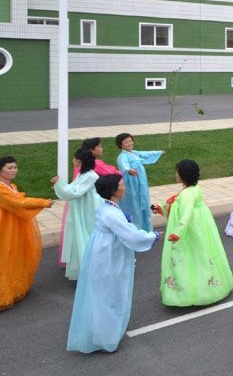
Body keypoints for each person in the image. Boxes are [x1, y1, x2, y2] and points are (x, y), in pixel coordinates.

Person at [67, 174, 160, 353]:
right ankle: (106, 338)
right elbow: (131, 235)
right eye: (122, 185)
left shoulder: (106, 207)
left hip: (103, 253)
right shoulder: (112, 213)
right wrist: (152, 236)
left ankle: (102, 333)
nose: (124, 187)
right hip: (108, 257)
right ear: (114, 191)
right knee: (111, 294)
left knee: (104, 293)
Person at [152, 159, 233, 307]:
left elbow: (186, 213)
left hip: (189, 229)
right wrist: (161, 208)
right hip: (197, 226)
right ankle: (209, 285)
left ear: (183, 175)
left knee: (189, 256)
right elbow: (177, 207)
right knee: (201, 253)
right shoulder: (193, 189)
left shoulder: (187, 194)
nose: (175, 174)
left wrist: (178, 231)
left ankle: (192, 293)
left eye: (177, 171)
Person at [0, 156, 53, 311]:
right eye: (9, 168)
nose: (13, 170)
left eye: (15, 167)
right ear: (1, 169)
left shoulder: (11, 186)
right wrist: (43, 202)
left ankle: (13, 288)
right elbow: (18, 203)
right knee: (4, 258)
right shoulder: (2, 189)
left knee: (14, 256)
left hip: (13, 227)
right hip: (5, 228)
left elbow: (18, 202)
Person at [52, 150, 102, 281]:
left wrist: (60, 185)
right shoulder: (82, 174)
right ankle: (84, 269)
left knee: (86, 235)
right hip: (81, 209)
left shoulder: (91, 176)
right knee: (80, 235)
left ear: (79, 161)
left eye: (74, 159)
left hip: (88, 210)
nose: (73, 161)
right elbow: (71, 189)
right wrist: (60, 185)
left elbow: (75, 192)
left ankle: (93, 270)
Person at [115, 133, 164, 232]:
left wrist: (158, 152)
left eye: (130, 141)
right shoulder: (122, 156)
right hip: (131, 186)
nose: (129, 143)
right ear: (121, 145)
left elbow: (145, 154)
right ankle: (134, 230)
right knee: (134, 205)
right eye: (126, 142)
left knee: (143, 204)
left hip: (141, 184)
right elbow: (124, 166)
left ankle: (145, 229)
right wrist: (129, 170)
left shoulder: (134, 153)